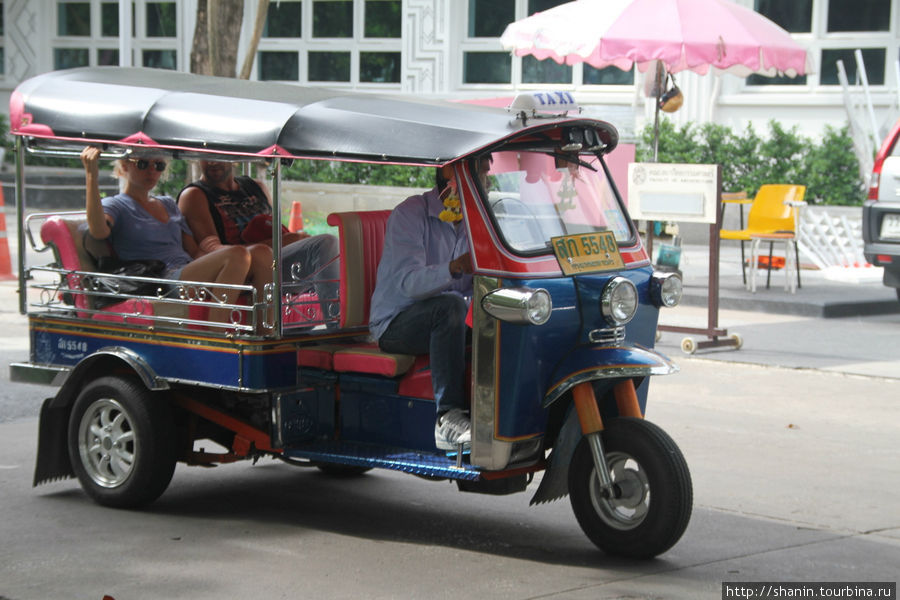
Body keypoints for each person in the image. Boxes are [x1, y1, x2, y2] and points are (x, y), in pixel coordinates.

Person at [81, 146, 268, 326]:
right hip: (159, 280)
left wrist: (227, 257)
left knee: (261, 253)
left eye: (159, 166)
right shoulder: (116, 205)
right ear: (124, 166)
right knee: (237, 255)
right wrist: (91, 176)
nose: (152, 171)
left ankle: (266, 332)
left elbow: (194, 251)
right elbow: (99, 230)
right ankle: (216, 335)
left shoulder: (167, 203)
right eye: (142, 164)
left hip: (186, 270)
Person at [368, 165, 474, 451]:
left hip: (448, 318)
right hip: (396, 322)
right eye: (481, 171)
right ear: (451, 174)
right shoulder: (410, 213)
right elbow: (408, 284)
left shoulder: (475, 217)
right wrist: (455, 267)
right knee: (449, 307)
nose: (487, 181)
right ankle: (447, 418)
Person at [177, 161, 340, 323]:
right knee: (326, 243)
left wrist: (293, 239)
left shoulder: (255, 187)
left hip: (276, 259)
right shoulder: (195, 195)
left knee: (335, 248)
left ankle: (340, 325)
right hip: (244, 269)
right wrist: (280, 242)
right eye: (207, 155)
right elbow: (214, 251)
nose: (213, 161)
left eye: (219, 154)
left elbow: (274, 227)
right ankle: (337, 327)